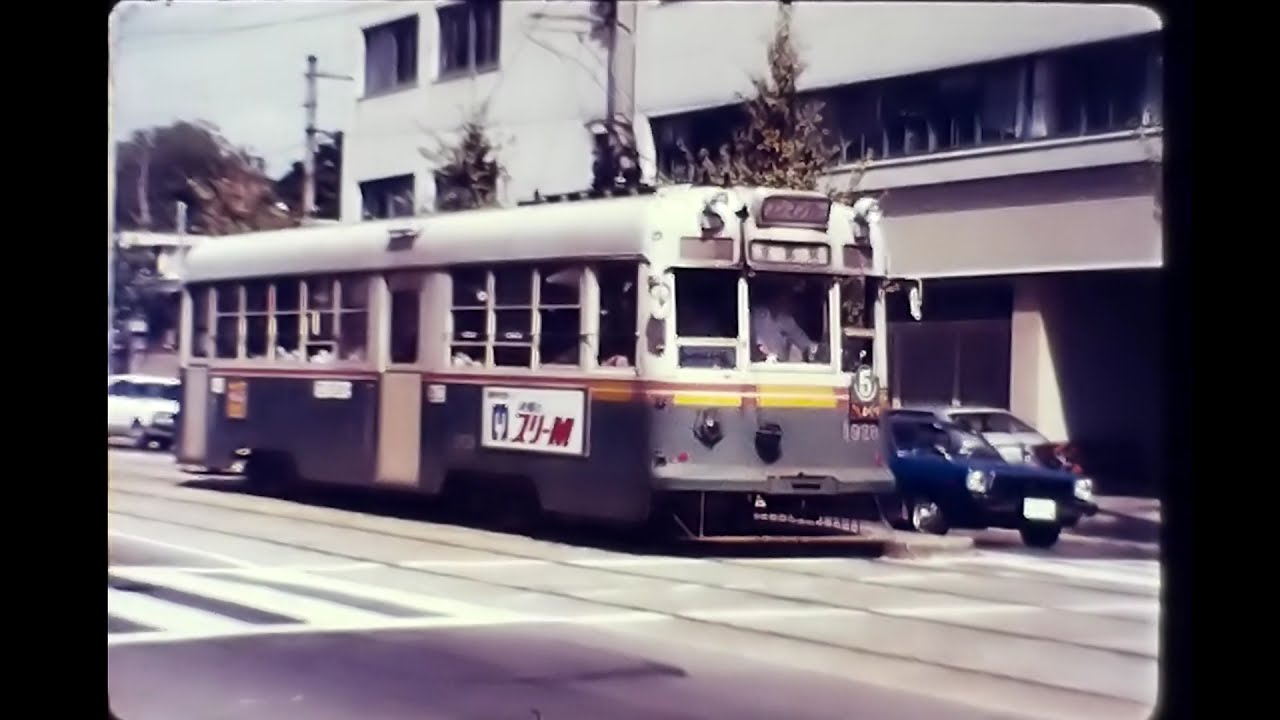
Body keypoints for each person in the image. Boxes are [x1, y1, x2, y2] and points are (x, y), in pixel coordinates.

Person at [751, 284, 819, 362]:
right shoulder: (756, 315)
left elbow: (804, 342)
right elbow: (749, 343)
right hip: (755, 366)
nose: (793, 304)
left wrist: (817, 349)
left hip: (779, 368)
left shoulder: (786, 320)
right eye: (789, 298)